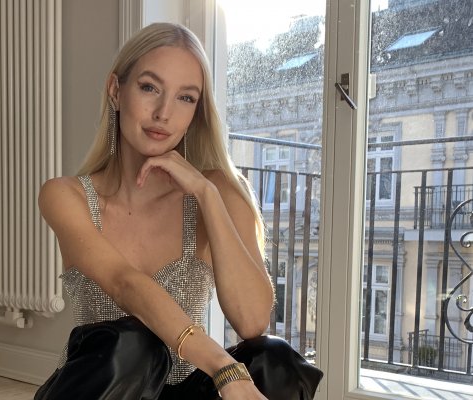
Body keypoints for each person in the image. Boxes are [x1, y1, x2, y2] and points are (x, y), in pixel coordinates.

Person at [36, 22, 322, 400]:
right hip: (101, 388)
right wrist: (223, 367)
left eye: (185, 97)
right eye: (149, 88)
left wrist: (207, 193)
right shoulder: (66, 195)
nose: (164, 113)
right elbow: (125, 283)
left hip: (187, 390)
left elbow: (252, 322)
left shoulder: (216, 192)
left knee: (274, 359)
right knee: (134, 344)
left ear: (196, 112)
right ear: (116, 91)